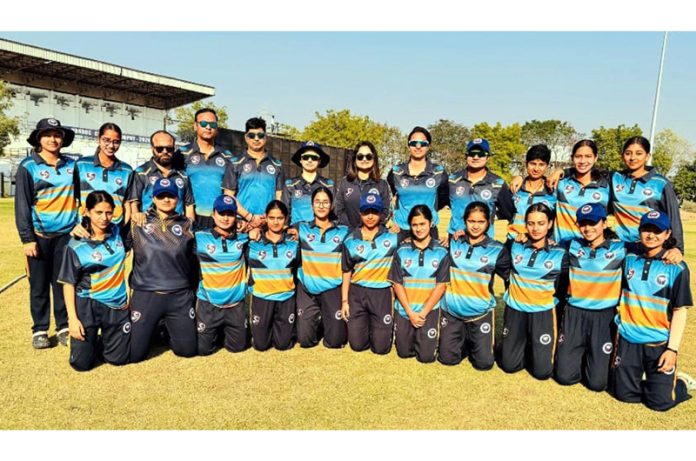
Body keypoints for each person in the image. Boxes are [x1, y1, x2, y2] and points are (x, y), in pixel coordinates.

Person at [611, 210, 695, 411]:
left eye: (657, 231)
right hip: (628, 340)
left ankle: (682, 382)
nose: (651, 235)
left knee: (660, 402)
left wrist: (672, 349)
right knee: (624, 395)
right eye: (646, 229)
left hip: (658, 343)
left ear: (667, 234)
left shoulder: (677, 267)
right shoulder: (629, 258)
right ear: (639, 231)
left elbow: (680, 310)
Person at [15, 118, 79, 349]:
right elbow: (22, 205)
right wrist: (27, 239)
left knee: (62, 283)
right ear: (38, 139)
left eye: (57, 135)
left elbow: (80, 198)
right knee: (39, 285)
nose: (53, 139)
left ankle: (63, 326)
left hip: (67, 237)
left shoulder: (72, 166)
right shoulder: (28, 166)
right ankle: (40, 329)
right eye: (47, 135)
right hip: (40, 237)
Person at [554, 203, 626, 391]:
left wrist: (673, 250)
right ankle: (580, 355)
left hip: (603, 317)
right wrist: (522, 236)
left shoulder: (621, 249)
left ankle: (593, 360)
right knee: (563, 376)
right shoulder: (571, 245)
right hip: (574, 314)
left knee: (597, 384)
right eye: (583, 224)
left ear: (604, 223)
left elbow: (652, 247)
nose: (588, 228)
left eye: (593, 223)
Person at [58, 191, 130, 371]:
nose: (104, 218)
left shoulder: (117, 231)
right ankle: (90, 340)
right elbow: (68, 284)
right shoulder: (75, 244)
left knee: (118, 359)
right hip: (88, 303)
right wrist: (72, 320)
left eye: (108, 212)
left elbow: (136, 215)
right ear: (87, 212)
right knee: (81, 364)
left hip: (116, 304)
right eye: (98, 212)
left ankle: (104, 338)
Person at [128, 178, 197, 363]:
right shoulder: (138, 223)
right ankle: (155, 325)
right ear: (153, 198)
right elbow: (109, 239)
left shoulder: (188, 225)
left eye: (171, 196)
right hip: (147, 293)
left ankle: (168, 326)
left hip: (179, 295)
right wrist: (82, 227)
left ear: (178, 198)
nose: (166, 200)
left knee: (187, 350)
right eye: (161, 196)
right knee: (135, 354)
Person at [499, 203, 568, 380]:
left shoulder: (559, 252)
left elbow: (562, 286)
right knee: (509, 366)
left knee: (542, 372)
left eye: (541, 223)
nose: (535, 228)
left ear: (550, 223)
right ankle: (522, 344)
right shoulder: (515, 245)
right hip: (515, 309)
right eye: (531, 223)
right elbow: (502, 265)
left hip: (542, 312)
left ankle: (535, 347)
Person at [439, 201, 510, 370]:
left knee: (484, 364)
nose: (476, 226)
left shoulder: (497, 250)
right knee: (447, 359)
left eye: (481, 222)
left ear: (488, 223)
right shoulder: (454, 242)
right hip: (452, 311)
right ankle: (462, 338)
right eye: (471, 221)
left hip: (480, 312)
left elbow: (510, 278)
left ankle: (474, 339)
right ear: (465, 221)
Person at [510, 139, 611, 246]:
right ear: (572, 157)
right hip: (560, 246)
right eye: (578, 156)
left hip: (590, 246)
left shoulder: (606, 186)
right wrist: (520, 177)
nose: (582, 161)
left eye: (588, 156)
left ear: (596, 158)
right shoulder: (560, 183)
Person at [389, 205, 450, 363]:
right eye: (414, 225)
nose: (418, 229)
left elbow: (441, 286)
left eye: (422, 224)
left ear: (430, 223)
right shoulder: (401, 250)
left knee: (426, 357)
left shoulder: (441, 251)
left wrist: (422, 313)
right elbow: (397, 284)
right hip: (405, 310)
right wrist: (410, 312)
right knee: (403, 352)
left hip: (428, 311)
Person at [341, 192, 399, 354]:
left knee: (381, 349)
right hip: (357, 292)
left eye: (374, 212)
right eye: (366, 212)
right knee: (357, 346)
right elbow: (346, 271)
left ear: (381, 214)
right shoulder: (351, 239)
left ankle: (382, 330)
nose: (370, 216)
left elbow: (418, 238)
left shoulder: (393, 237)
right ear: (360, 213)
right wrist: (345, 301)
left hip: (381, 293)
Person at [194, 195, 251, 355]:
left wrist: (252, 228)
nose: (225, 218)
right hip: (208, 304)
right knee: (203, 350)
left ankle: (225, 330)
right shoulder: (199, 237)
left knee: (238, 348)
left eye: (230, 214)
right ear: (213, 214)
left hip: (235, 305)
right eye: (221, 213)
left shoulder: (244, 239)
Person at [295, 187, 350, 348]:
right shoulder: (301, 228)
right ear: (312, 206)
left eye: (325, 202)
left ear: (331, 205)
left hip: (332, 287)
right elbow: (277, 230)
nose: (321, 206)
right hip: (307, 288)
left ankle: (330, 323)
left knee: (335, 342)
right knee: (305, 341)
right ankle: (313, 322)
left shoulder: (344, 231)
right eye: (317, 202)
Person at [610, 136, 684, 255]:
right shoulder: (614, 178)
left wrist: (677, 248)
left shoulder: (660, 183)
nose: (633, 158)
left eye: (639, 153)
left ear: (647, 156)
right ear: (622, 155)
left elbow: (673, 218)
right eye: (628, 153)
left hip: (649, 248)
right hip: (619, 248)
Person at [247, 200, 299, 351]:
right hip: (262, 298)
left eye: (280, 218)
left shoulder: (294, 242)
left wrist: (293, 230)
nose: (276, 222)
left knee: (283, 345)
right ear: (266, 218)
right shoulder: (253, 242)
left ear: (286, 219)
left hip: (285, 298)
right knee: (261, 346)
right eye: (271, 218)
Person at [386, 127, 448, 241]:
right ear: (408, 146)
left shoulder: (439, 172)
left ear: (428, 146)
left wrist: (429, 214)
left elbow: (444, 199)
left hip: (428, 231)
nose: (418, 147)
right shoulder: (395, 172)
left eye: (423, 143)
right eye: (414, 143)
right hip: (401, 231)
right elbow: (390, 197)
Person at [178, 108, 235, 229]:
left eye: (212, 124)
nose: (208, 127)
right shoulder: (182, 154)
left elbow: (232, 191)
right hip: (189, 217)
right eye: (203, 124)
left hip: (219, 219)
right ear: (195, 126)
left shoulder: (228, 156)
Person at [448, 138, 514, 242]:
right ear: (466, 156)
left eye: (481, 154)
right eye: (472, 153)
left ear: (487, 157)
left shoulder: (497, 184)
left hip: (484, 242)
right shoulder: (452, 180)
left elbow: (510, 213)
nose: (476, 157)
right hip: (455, 239)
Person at [222, 117, 283, 230]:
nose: (256, 139)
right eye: (252, 135)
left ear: (266, 137)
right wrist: (249, 217)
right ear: (246, 138)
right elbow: (229, 196)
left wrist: (267, 217)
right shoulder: (235, 163)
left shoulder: (277, 165)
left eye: (260, 135)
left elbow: (279, 197)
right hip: (242, 224)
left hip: (268, 224)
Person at [127, 130, 195, 223]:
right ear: (152, 148)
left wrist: (189, 227)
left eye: (169, 148)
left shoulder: (183, 175)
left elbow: (189, 205)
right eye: (160, 149)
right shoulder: (141, 173)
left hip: (177, 230)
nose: (165, 151)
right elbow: (134, 204)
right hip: (149, 231)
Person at [74, 123, 133, 227]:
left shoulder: (127, 170)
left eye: (116, 142)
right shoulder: (81, 164)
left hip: (114, 229)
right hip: (86, 228)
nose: (111, 146)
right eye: (106, 140)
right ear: (98, 139)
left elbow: (127, 203)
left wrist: (123, 229)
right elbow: (73, 199)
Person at [334, 141, 391, 228]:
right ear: (355, 160)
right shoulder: (345, 182)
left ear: (374, 159)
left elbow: (385, 212)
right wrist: (352, 230)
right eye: (360, 157)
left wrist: (369, 229)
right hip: (349, 235)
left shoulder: (382, 184)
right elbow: (338, 210)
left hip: (373, 235)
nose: (364, 159)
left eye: (368, 156)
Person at [506, 144, 556, 241]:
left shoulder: (553, 190)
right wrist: (519, 177)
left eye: (541, 164)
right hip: (514, 242)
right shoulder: (515, 187)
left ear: (547, 166)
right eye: (533, 163)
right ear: (526, 163)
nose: (536, 169)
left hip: (541, 245)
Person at [281, 141, 335, 226]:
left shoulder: (329, 185)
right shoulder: (290, 185)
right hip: (296, 234)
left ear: (319, 161)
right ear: (300, 160)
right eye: (305, 157)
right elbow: (284, 213)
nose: (310, 160)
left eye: (314, 157)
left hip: (319, 234)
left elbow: (333, 213)